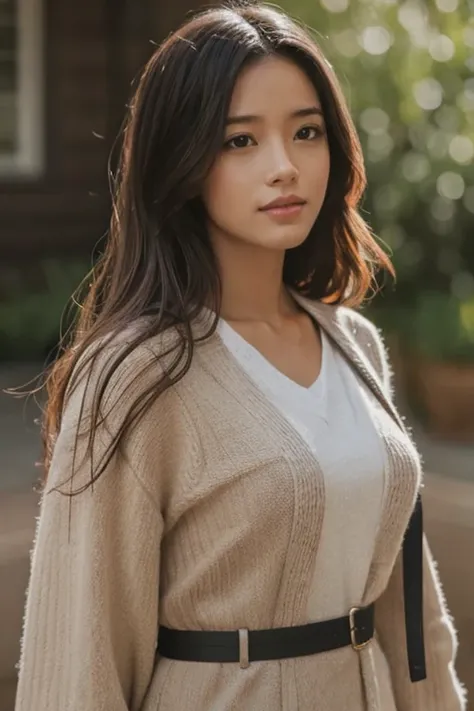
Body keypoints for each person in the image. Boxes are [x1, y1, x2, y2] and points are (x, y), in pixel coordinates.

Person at [15, 3, 467, 711]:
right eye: (240, 141)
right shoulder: (134, 375)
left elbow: (413, 615)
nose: (284, 167)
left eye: (306, 132)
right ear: (183, 162)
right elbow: (80, 647)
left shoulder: (356, 346)